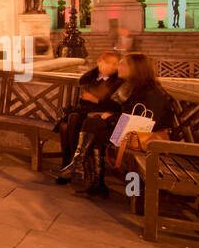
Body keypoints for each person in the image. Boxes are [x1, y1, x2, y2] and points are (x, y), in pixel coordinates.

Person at [73, 52, 174, 197]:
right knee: (92, 125)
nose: (118, 66)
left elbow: (143, 121)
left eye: (123, 64)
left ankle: (87, 173)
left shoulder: (150, 92)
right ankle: (90, 177)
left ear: (136, 69)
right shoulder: (136, 87)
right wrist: (111, 117)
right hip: (133, 133)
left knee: (94, 126)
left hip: (146, 139)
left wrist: (111, 118)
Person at [54, 51, 122, 184]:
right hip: (86, 113)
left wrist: (96, 100)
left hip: (100, 117)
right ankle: (70, 165)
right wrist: (97, 71)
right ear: (99, 62)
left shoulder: (117, 81)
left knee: (70, 121)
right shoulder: (92, 77)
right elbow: (82, 88)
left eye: (115, 64)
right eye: (107, 63)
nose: (111, 67)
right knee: (64, 126)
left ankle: (73, 166)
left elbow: (116, 105)